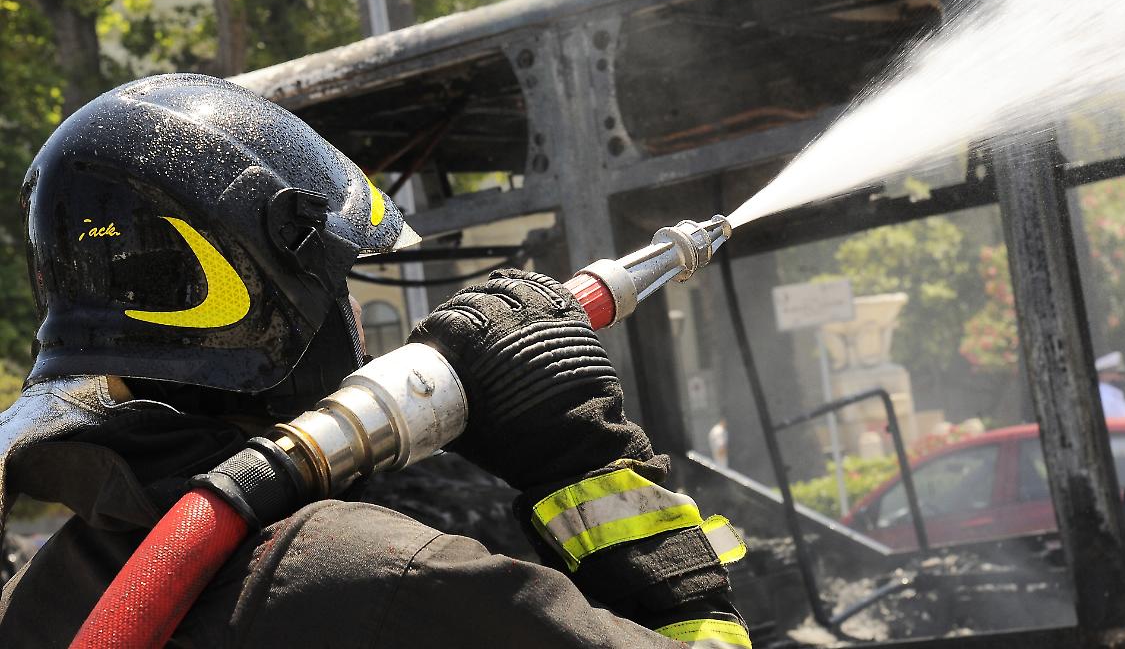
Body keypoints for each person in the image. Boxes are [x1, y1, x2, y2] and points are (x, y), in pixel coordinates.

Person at [0, 74, 750, 647]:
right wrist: (585, 462)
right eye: (342, 284)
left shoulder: (42, 597)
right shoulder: (393, 582)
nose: (356, 318)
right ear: (284, 314)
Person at [1096, 351, 1125, 419]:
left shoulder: (1111, 393)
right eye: (1120, 373)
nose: (1123, 378)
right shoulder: (1107, 396)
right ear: (1103, 375)